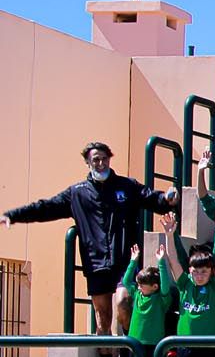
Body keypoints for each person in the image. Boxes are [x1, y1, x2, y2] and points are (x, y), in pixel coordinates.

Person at [3, 141, 180, 335]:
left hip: (125, 260)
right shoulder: (76, 193)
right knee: (102, 317)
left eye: (105, 159)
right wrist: (13, 215)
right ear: (88, 162)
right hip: (95, 263)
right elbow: (45, 208)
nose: (101, 163)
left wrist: (167, 200)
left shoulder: (127, 186)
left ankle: (129, 352)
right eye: (96, 159)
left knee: (124, 302)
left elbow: (153, 198)